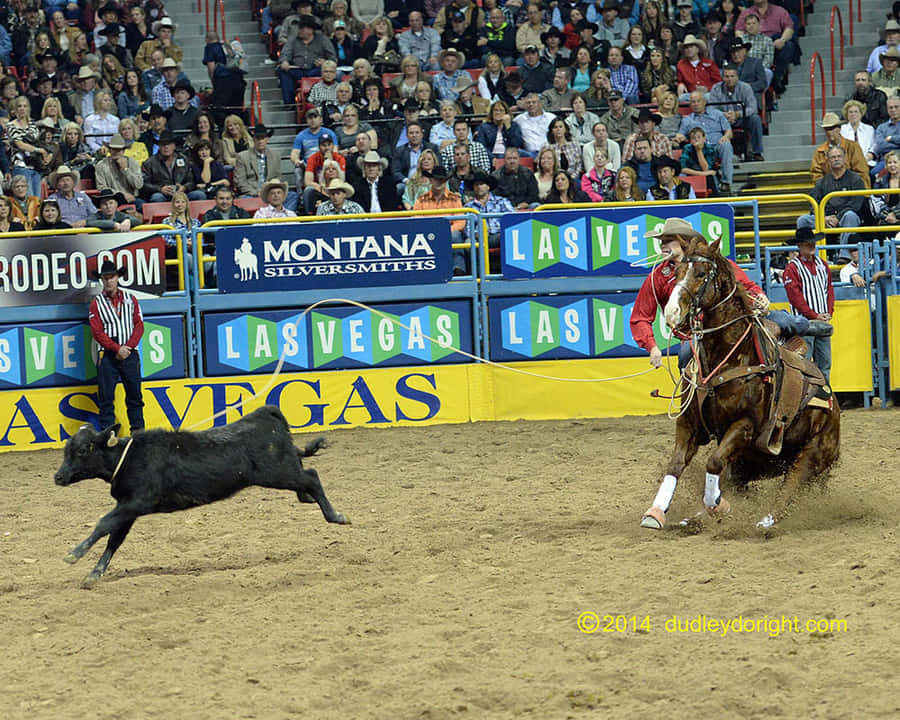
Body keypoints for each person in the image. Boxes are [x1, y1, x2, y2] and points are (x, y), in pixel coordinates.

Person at [629, 217, 813, 372]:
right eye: (661, 242)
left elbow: (746, 284)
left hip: (733, 320)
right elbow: (640, 317)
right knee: (685, 357)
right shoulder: (658, 278)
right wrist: (652, 347)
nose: (662, 245)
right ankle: (692, 399)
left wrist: (759, 296)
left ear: (682, 240)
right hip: (696, 332)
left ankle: (810, 332)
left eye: (668, 241)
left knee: (786, 321)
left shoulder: (711, 263)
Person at [89, 260, 145, 434]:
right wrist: (116, 348)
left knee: (135, 396)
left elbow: (139, 325)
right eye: (105, 278)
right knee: (106, 399)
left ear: (118, 278)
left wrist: (127, 347)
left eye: (111, 277)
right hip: (108, 355)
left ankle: (138, 434)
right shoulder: (96, 303)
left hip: (129, 352)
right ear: (102, 280)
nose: (108, 281)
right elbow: (97, 332)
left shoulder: (131, 299)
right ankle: (108, 437)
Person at [784, 229, 835, 382]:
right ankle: (804, 399)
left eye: (812, 242)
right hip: (804, 323)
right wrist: (816, 315)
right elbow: (795, 298)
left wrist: (828, 311)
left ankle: (824, 397)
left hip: (821, 320)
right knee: (804, 363)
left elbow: (829, 289)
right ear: (799, 245)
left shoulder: (822, 265)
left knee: (825, 363)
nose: (812, 245)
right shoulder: (793, 267)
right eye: (808, 243)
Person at [797, 145, 866, 245]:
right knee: (803, 220)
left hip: (845, 217)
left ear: (844, 158)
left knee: (850, 216)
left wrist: (838, 217)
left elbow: (856, 205)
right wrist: (824, 218)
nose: (836, 159)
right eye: (833, 157)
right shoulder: (822, 182)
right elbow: (813, 203)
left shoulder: (855, 179)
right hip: (825, 218)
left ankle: (845, 256)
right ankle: (808, 255)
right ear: (828, 161)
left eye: (839, 156)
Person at [674, 91, 735, 195]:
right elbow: (681, 135)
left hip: (716, 146)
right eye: (693, 102)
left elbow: (729, 132)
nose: (696, 104)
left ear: (704, 102)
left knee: (726, 145)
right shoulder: (687, 120)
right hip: (699, 150)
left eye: (698, 101)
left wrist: (725, 136)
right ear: (690, 104)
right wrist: (679, 137)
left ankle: (726, 182)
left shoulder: (717, 114)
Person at [412, 165, 468, 274]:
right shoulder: (421, 200)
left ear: (446, 181)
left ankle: (458, 269)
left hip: (449, 233)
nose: (439, 182)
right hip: (427, 233)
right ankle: (422, 272)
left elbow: (460, 222)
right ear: (431, 180)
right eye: (436, 179)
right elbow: (417, 221)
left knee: (456, 235)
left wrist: (444, 232)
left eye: (442, 179)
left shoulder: (455, 199)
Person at [707, 64, 765, 162]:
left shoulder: (746, 87)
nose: (729, 79)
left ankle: (757, 152)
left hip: (741, 119)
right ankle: (714, 154)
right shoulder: (716, 88)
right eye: (726, 76)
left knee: (755, 119)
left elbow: (752, 108)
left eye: (732, 76)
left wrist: (738, 114)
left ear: (737, 77)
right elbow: (711, 109)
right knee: (710, 120)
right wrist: (723, 115)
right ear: (722, 77)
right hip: (723, 119)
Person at [278, 16, 337, 106]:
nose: (299, 31)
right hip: (298, 69)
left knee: (323, 71)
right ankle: (289, 103)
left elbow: (332, 57)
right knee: (283, 71)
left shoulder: (322, 39)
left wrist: (325, 62)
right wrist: (284, 61)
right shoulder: (293, 40)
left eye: (302, 28)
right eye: (300, 28)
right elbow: (285, 54)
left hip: (315, 70)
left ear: (310, 30)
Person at [141, 131, 204, 203]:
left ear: (174, 146)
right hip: (162, 194)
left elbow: (191, 180)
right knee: (157, 197)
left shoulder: (183, 159)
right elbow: (144, 184)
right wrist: (160, 189)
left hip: (182, 194)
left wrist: (184, 187)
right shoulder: (150, 162)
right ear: (159, 146)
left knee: (199, 195)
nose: (166, 147)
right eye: (163, 144)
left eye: (169, 144)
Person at [811, 112, 870, 187]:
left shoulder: (853, 147)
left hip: (852, 190)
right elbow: (816, 174)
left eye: (832, 128)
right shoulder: (819, 152)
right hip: (829, 192)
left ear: (839, 128)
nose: (829, 132)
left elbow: (862, 172)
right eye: (827, 129)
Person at [464, 169, 513, 250]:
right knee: (468, 243)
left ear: (488, 186)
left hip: (498, 235)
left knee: (507, 236)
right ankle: (477, 263)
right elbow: (468, 228)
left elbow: (512, 219)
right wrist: (475, 234)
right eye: (476, 184)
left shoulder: (501, 201)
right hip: (478, 238)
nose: (479, 187)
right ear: (473, 187)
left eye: (482, 184)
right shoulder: (468, 206)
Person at [233, 124, 282, 198]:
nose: (260, 141)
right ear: (253, 139)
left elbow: (277, 177)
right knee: (245, 199)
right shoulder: (242, 157)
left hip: (271, 193)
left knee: (292, 196)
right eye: (258, 138)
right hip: (250, 194)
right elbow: (240, 182)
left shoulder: (275, 156)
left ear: (267, 139)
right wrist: (256, 193)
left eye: (263, 138)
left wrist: (271, 191)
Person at [95, 134, 144, 207]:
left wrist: (126, 170)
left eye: (119, 149)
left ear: (123, 151)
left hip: (132, 198)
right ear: (110, 150)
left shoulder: (133, 163)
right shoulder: (101, 165)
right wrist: (121, 194)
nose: (116, 152)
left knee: (142, 205)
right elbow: (101, 187)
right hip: (111, 199)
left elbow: (139, 185)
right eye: (113, 149)